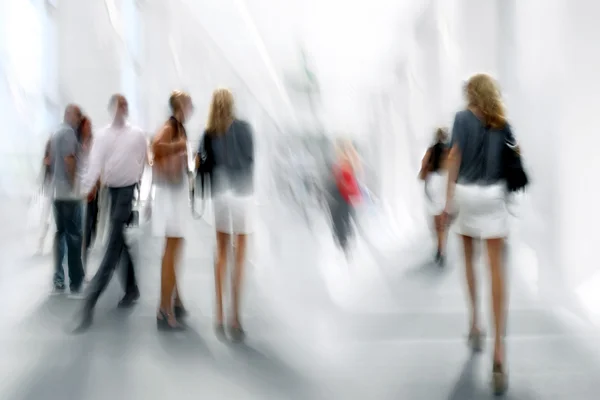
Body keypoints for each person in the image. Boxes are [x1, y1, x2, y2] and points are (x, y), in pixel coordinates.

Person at [443, 74, 516, 395]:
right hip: (493, 197)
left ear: (472, 93)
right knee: (495, 267)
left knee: (469, 262)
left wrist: (447, 201)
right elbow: (512, 159)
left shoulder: (461, 118)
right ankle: (499, 351)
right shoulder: (502, 121)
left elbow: (454, 156)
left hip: (467, 195)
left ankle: (475, 323)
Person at [75, 94, 147, 332]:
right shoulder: (103, 136)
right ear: (111, 108)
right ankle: (132, 288)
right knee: (119, 244)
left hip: (126, 193)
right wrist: (87, 188)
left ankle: (89, 301)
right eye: (118, 104)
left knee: (112, 244)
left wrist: (135, 182)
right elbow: (95, 163)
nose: (122, 108)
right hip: (112, 192)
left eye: (125, 104)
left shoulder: (136, 134)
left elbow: (142, 161)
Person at [197, 88, 254, 341]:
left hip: (220, 194)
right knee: (240, 254)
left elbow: (200, 162)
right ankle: (235, 317)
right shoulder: (244, 128)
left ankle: (219, 314)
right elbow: (251, 160)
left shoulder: (209, 132)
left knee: (221, 252)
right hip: (242, 194)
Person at [151, 90, 193, 331]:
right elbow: (156, 146)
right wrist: (179, 145)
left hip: (173, 193)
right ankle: (164, 309)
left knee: (175, 247)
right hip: (170, 196)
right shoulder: (172, 127)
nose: (191, 108)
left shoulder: (178, 127)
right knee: (171, 249)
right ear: (180, 105)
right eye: (188, 104)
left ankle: (175, 301)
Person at [49, 104, 86, 297]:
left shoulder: (55, 133)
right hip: (68, 194)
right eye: (78, 116)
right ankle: (76, 281)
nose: (79, 120)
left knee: (60, 235)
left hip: (56, 192)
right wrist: (74, 188)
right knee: (74, 237)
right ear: (70, 115)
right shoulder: (69, 134)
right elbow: (70, 160)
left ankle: (58, 278)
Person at [419, 127, 449, 266]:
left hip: (432, 184)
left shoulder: (430, 150)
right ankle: (441, 247)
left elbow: (423, 167)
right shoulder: (448, 151)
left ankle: (439, 246)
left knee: (436, 219)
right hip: (443, 182)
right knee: (443, 219)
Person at [76, 116, 100, 273]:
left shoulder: (95, 145)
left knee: (92, 229)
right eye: (87, 125)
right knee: (82, 230)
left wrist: (95, 186)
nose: (89, 128)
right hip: (79, 193)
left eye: (91, 125)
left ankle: (84, 260)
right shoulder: (76, 145)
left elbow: (98, 167)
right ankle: (80, 266)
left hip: (93, 192)